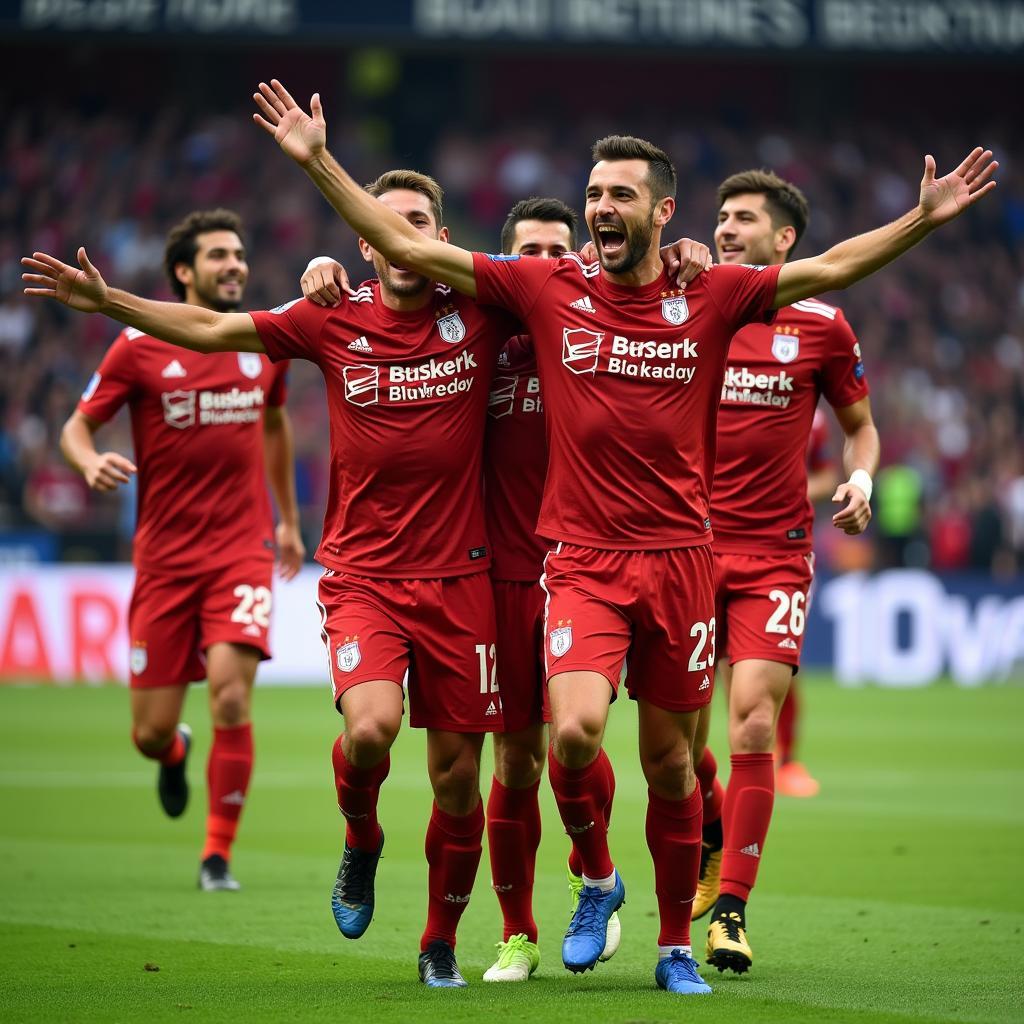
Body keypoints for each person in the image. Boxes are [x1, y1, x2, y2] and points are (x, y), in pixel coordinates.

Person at [248, 79, 995, 996]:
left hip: (686, 558)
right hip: (579, 560)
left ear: (663, 210)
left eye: (619, 196)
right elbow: (404, 247)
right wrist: (319, 164)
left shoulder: (712, 293)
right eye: (593, 193)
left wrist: (921, 221)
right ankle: (595, 880)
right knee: (570, 733)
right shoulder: (542, 288)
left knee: (674, 763)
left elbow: (830, 269)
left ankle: (677, 945)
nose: (601, 207)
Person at [26, 172, 521, 990]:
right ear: (366, 242)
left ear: (440, 234)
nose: (405, 236)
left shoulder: (482, 308)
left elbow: (578, 281)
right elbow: (212, 328)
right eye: (389, 223)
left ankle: (439, 941)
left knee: (458, 778)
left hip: (461, 577)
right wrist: (111, 302)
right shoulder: (331, 317)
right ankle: (361, 837)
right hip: (363, 575)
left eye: (421, 222)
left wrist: (678, 258)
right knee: (369, 733)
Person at [299, 198, 710, 983]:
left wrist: (683, 252)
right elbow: (390, 287)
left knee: (581, 742)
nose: (553, 261)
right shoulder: (477, 331)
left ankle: (599, 877)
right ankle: (516, 933)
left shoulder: (595, 331)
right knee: (513, 764)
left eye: (565, 249)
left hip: (584, 565)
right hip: (490, 576)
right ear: (504, 263)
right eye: (532, 250)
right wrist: (329, 273)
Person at [56, 209, 304, 891]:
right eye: (218, 256)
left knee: (230, 696)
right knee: (148, 732)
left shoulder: (261, 344)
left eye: (239, 254)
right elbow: (77, 428)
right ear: (183, 273)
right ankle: (174, 753)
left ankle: (216, 857)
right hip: (164, 562)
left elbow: (277, 423)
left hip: (240, 553)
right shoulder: (135, 348)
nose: (235, 266)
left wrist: (285, 520)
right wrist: (86, 463)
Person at [689, 170, 880, 975]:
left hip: (774, 555)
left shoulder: (824, 327)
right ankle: (705, 828)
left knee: (755, 724)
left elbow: (860, 429)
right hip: (682, 550)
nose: (727, 229)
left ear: (784, 240)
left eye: (744, 220)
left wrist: (860, 477)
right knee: (677, 742)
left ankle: (731, 910)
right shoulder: (690, 306)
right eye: (722, 217)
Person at [774, 408, 839, 799]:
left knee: (779, 659)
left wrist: (788, 488)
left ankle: (786, 760)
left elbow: (827, 475)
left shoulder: (811, 418)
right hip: (716, 545)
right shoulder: (720, 382)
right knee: (714, 663)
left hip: (785, 550)